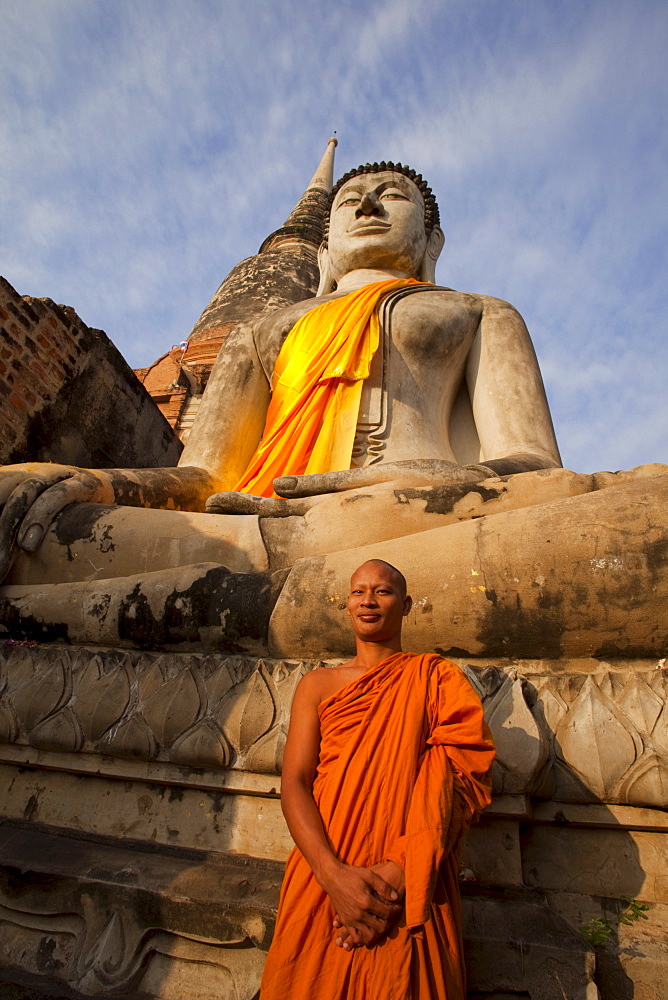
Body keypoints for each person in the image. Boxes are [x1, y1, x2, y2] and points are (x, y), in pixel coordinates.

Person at [0, 161, 559, 606]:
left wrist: (418, 480)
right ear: (324, 251)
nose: (366, 205)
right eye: (348, 201)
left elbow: (534, 464)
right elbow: (206, 476)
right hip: (251, 531)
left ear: (432, 242)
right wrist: (96, 484)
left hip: (418, 519)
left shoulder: (478, 310)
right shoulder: (263, 330)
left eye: (391, 195)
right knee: (30, 522)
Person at [260, 558, 495, 999]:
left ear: (405, 605)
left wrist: (396, 876)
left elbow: (461, 780)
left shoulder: (435, 678)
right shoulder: (319, 684)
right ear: (347, 604)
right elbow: (294, 784)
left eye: (382, 591)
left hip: (411, 885)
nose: (368, 600)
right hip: (324, 873)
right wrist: (334, 878)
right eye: (358, 591)